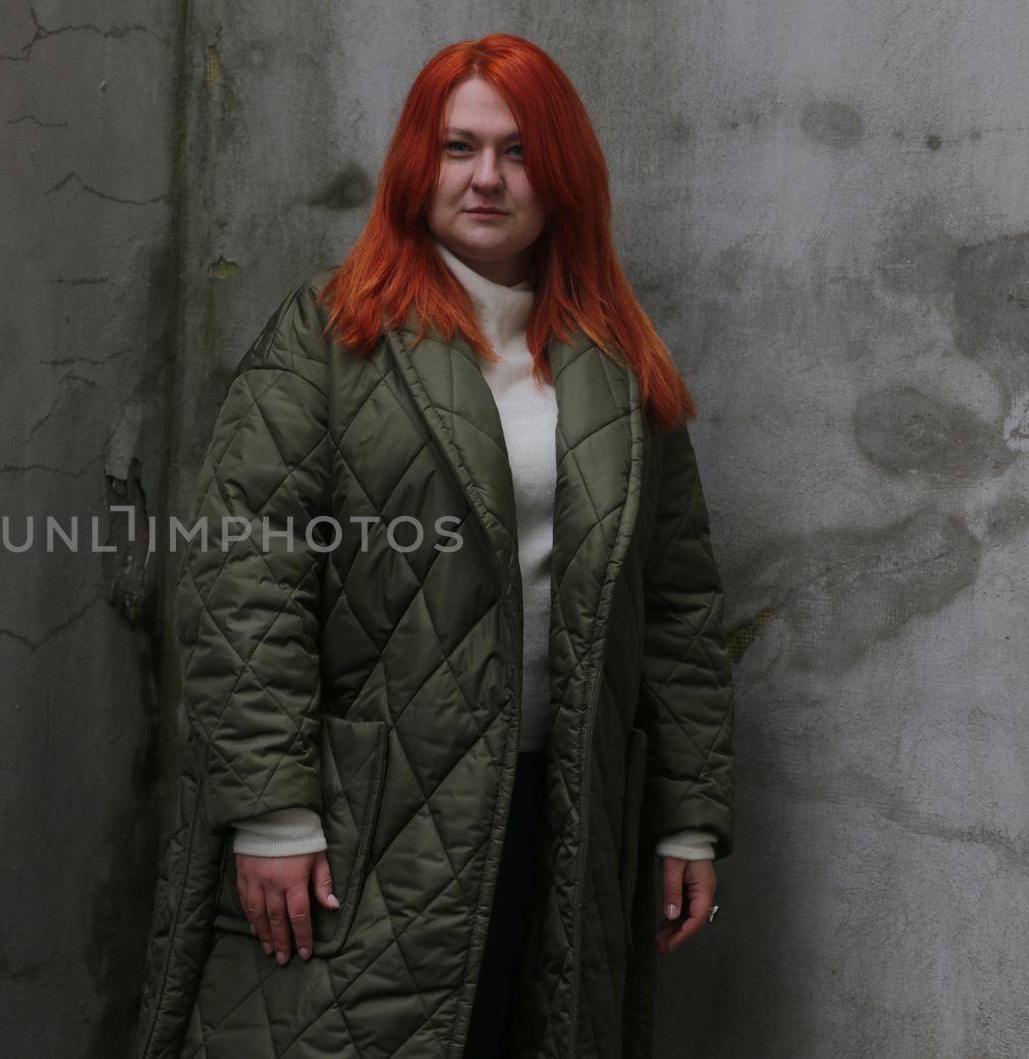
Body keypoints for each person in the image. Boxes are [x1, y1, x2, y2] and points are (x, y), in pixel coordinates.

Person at [136, 32, 736, 1059]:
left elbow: (676, 603)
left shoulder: (617, 369)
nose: (487, 178)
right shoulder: (328, 340)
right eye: (459, 147)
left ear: (563, 174)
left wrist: (686, 815)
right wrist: (271, 809)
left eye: (516, 150)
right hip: (364, 816)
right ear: (419, 164)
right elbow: (248, 576)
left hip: (563, 814)